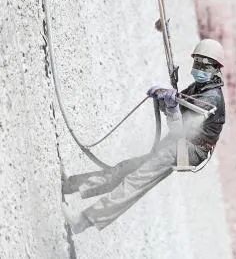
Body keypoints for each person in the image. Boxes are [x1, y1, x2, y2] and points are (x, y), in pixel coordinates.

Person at [61, 39, 226, 233]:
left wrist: (171, 106)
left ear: (216, 69)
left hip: (190, 149)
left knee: (136, 180)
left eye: (203, 65)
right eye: (196, 63)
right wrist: (164, 98)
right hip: (181, 141)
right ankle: (70, 185)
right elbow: (177, 107)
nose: (198, 68)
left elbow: (179, 128)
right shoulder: (200, 87)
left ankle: (84, 221)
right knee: (125, 169)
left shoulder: (210, 98)